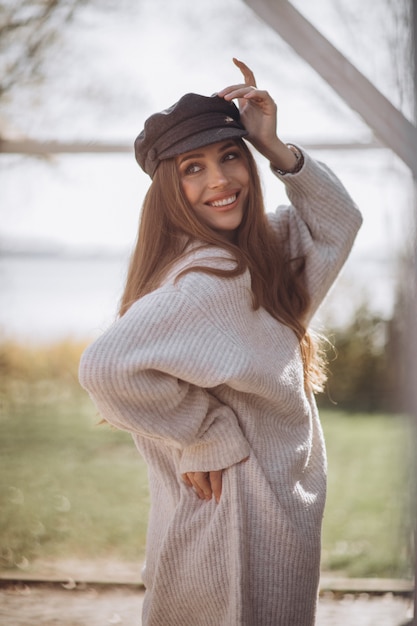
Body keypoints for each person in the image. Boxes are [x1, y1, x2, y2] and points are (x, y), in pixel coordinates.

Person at [79, 58, 362, 625]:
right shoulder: (208, 280)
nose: (219, 180)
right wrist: (205, 433)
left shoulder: (265, 249)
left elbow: (341, 222)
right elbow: (105, 368)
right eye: (192, 168)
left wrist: (274, 146)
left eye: (230, 156)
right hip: (233, 519)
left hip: (271, 511)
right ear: (168, 187)